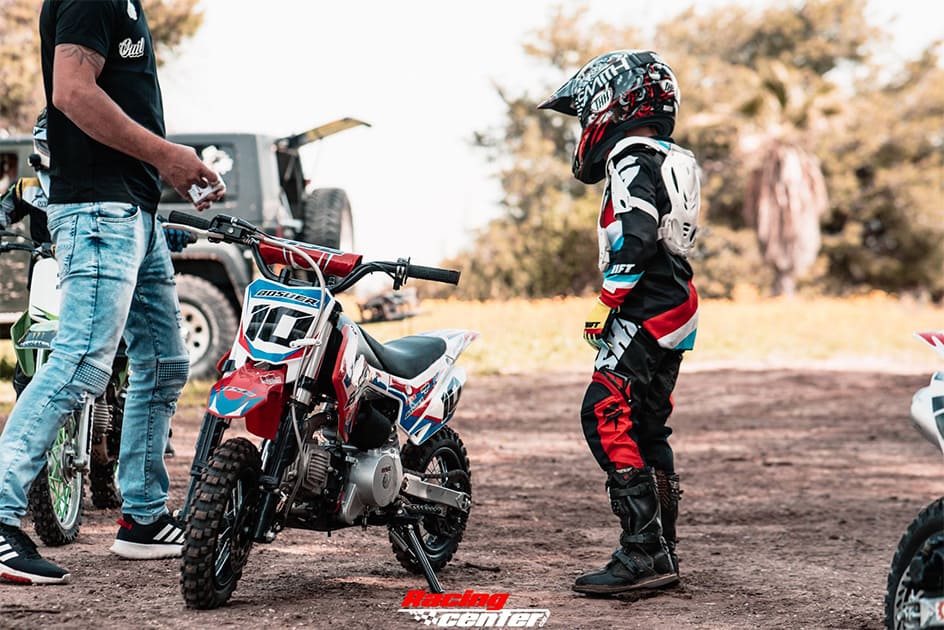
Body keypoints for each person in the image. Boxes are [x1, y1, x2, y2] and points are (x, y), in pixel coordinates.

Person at [0, 0, 223, 584]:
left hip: (134, 213)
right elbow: (71, 91)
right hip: (99, 210)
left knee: (165, 361)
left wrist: (163, 177)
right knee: (79, 363)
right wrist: (170, 156)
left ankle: (143, 520)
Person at [538, 50, 700, 595]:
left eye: (586, 114)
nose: (585, 128)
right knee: (647, 425)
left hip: (645, 303)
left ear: (614, 101)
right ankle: (664, 549)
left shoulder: (630, 155)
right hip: (675, 299)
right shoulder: (664, 153)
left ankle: (643, 551)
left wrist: (607, 301)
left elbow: (636, 232)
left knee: (603, 412)